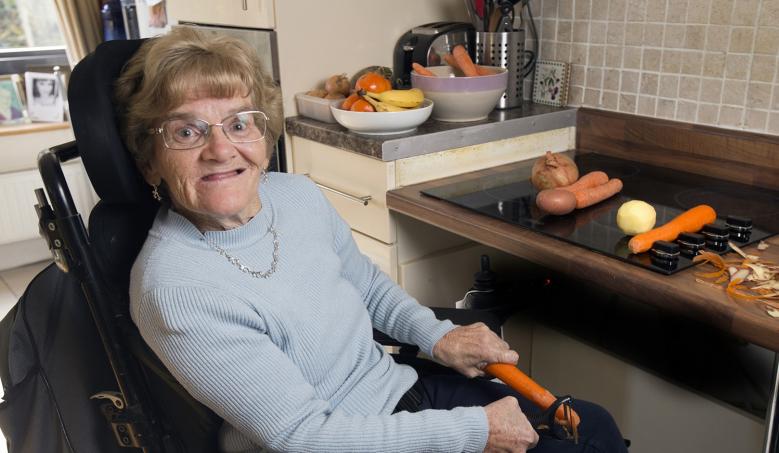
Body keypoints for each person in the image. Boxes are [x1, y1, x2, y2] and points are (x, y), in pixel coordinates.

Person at [116, 27, 628, 453]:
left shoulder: (293, 195)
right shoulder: (175, 288)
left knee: (592, 426)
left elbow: (363, 285)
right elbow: (303, 436)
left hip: (398, 391)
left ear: (264, 136)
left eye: (239, 123)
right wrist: (473, 431)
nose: (220, 149)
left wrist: (436, 336)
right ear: (148, 161)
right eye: (186, 132)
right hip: (334, 441)